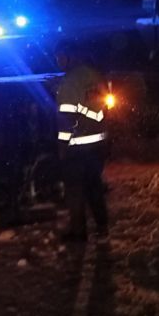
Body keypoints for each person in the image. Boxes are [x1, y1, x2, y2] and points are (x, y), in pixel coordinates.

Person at [54, 41, 110, 242]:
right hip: (98, 144)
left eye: (60, 57)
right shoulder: (94, 76)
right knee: (94, 187)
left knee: (75, 190)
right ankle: (102, 228)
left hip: (77, 147)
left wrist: (62, 145)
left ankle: (78, 232)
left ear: (69, 57)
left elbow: (66, 117)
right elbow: (103, 108)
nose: (58, 61)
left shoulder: (69, 82)